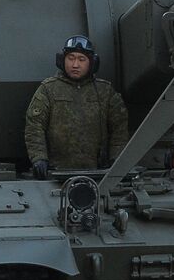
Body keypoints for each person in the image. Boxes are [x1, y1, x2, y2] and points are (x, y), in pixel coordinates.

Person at [24, 35, 129, 176]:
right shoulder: (48, 89)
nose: (75, 65)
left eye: (81, 59)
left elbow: (120, 128)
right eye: (71, 58)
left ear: (92, 63)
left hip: (98, 172)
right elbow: (35, 126)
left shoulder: (105, 91)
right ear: (62, 60)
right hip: (56, 172)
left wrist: (117, 158)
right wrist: (39, 158)